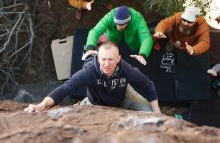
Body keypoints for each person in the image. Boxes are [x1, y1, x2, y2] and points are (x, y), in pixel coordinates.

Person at [24, 42, 161, 114]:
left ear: (119, 59)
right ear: (97, 58)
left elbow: (148, 85)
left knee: (149, 114)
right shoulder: (89, 71)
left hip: (123, 95)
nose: (106, 64)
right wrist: (41, 105)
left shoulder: (126, 69)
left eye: (111, 59)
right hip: (96, 101)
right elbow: (66, 88)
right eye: (103, 59)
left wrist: (157, 112)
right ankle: (84, 102)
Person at [83, 6, 153, 65]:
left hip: (133, 38)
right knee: (105, 40)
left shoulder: (138, 19)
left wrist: (142, 54)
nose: (118, 28)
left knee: (139, 44)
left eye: (121, 25)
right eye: (116, 24)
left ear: (128, 22)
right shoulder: (110, 16)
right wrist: (90, 47)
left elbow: (146, 37)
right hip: (114, 35)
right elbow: (95, 31)